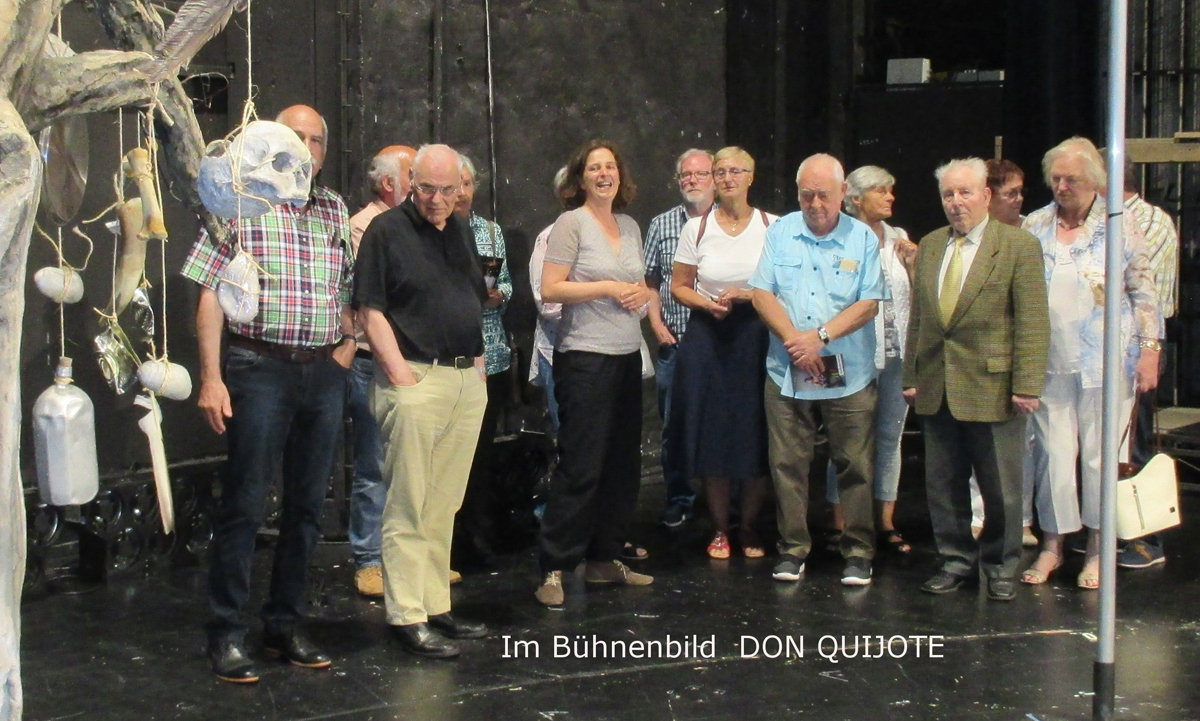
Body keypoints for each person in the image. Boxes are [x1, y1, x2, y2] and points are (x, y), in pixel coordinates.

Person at [183, 104, 355, 683]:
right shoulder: (242, 200)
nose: (304, 148)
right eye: (294, 136)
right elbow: (210, 289)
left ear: (324, 152)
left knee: (307, 509)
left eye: (315, 140)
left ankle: (284, 624)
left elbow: (347, 288)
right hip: (260, 369)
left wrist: (346, 346)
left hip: (322, 372)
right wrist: (211, 378)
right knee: (246, 503)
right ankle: (226, 633)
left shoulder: (333, 208)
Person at [354, 144, 490, 658]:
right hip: (415, 379)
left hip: (462, 380)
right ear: (411, 183)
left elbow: (471, 299)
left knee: (443, 502)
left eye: (447, 190)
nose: (436, 199)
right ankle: (407, 614)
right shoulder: (386, 231)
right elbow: (369, 310)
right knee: (409, 503)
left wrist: (476, 371)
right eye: (427, 188)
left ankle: (435, 605)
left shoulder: (460, 230)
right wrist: (400, 377)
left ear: (461, 189)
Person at [904, 157, 1049, 602]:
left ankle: (1001, 565)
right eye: (948, 194)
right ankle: (955, 560)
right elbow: (920, 317)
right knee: (942, 485)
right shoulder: (931, 245)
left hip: (994, 386)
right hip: (937, 384)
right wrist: (911, 374)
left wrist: (1027, 384)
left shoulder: (1018, 245)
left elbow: (1032, 320)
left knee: (1002, 487)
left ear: (986, 195)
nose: (956, 202)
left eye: (965, 192)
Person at [1020, 138, 1162, 589]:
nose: (1062, 186)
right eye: (1056, 178)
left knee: (1102, 458)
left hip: (1108, 362)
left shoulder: (1120, 223)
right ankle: (1052, 544)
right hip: (1048, 360)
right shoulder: (1035, 224)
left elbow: (1144, 291)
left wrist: (1151, 350)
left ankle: (1100, 548)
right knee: (1053, 456)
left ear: (1095, 181)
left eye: (1072, 179)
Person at [750, 153, 885, 587]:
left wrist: (820, 338)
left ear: (843, 193)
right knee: (787, 464)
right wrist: (796, 339)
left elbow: (869, 303)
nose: (815, 204)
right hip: (787, 368)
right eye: (806, 195)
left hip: (847, 371)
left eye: (824, 195)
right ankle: (792, 549)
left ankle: (858, 552)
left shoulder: (862, 238)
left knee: (855, 465)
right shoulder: (781, 231)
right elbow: (761, 293)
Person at [534, 140, 654, 607]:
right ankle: (554, 566)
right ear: (580, 179)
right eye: (594, 168)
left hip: (626, 355)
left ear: (620, 175)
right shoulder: (572, 223)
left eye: (611, 167)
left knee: (622, 465)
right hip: (584, 358)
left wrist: (642, 295)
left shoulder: (630, 225)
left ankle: (604, 558)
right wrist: (606, 287)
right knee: (580, 465)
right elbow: (550, 288)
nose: (604, 174)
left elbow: (639, 285)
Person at [668, 146, 776, 559]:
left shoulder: (773, 226)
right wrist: (706, 303)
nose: (728, 178)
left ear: (751, 176)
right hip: (708, 337)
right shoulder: (696, 228)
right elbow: (679, 286)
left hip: (756, 336)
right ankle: (719, 528)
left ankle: (748, 526)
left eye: (736, 171)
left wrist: (748, 295)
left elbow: (783, 285)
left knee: (754, 432)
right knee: (712, 435)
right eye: (721, 172)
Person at [823, 165, 916, 555]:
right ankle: (840, 522)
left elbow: (914, 296)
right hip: (850, 353)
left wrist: (914, 265)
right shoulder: (838, 238)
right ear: (856, 198)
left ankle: (885, 521)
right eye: (881, 190)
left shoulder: (899, 238)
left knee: (890, 437)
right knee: (846, 439)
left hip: (896, 352)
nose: (890, 197)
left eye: (891, 190)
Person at [346, 144, 416, 598]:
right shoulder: (363, 227)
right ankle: (369, 559)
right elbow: (379, 294)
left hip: (417, 360)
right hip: (373, 361)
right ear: (389, 183)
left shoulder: (420, 226)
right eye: (414, 174)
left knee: (412, 464)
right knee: (374, 465)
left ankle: (409, 558)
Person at [645, 148, 717, 528]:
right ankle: (678, 497)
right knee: (674, 427)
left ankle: (723, 500)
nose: (692, 180)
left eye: (700, 174)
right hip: (676, 342)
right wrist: (657, 326)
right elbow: (650, 280)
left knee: (720, 423)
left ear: (714, 178)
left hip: (721, 343)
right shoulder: (661, 224)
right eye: (686, 175)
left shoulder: (730, 223)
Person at [970, 159, 1037, 548]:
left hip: (1027, 349)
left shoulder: (1035, 230)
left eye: (1020, 192)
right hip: (982, 353)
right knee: (978, 439)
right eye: (1011, 193)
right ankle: (979, 515)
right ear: (990, 196)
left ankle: (1022, 519)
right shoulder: (972, 235)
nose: (1019, 199)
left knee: (1025, 443)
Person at [452, 154, 514, 569]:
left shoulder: (491, 232)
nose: (460, 192)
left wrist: (498, 294)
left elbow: (506, 282)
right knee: (448, 456)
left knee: (481, 454)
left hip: (490, 356)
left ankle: (476, 536)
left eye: (466, 184)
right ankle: (448, 541)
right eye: (452, 184)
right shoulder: (430, 231)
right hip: (446, 358)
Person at [1120, 155, 1178, 570]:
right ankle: (1112, 529)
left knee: (1136, 443)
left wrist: (1147, 354)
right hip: (1107, 348)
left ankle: (1145, 539)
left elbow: (1139, 294)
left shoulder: (1150, 223)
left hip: (1140, 347)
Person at [528, 166, 571, 431]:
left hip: (607, 356)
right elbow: (547, 302)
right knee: (570, 437)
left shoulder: (614, 233)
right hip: (559, 354)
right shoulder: (548, 238)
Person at [986, 158, 1027, 227]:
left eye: (1021, 191)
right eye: (1012, 193)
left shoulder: (1032, 228)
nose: (1020, 198)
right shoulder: (970, 229)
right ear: (988, 197)